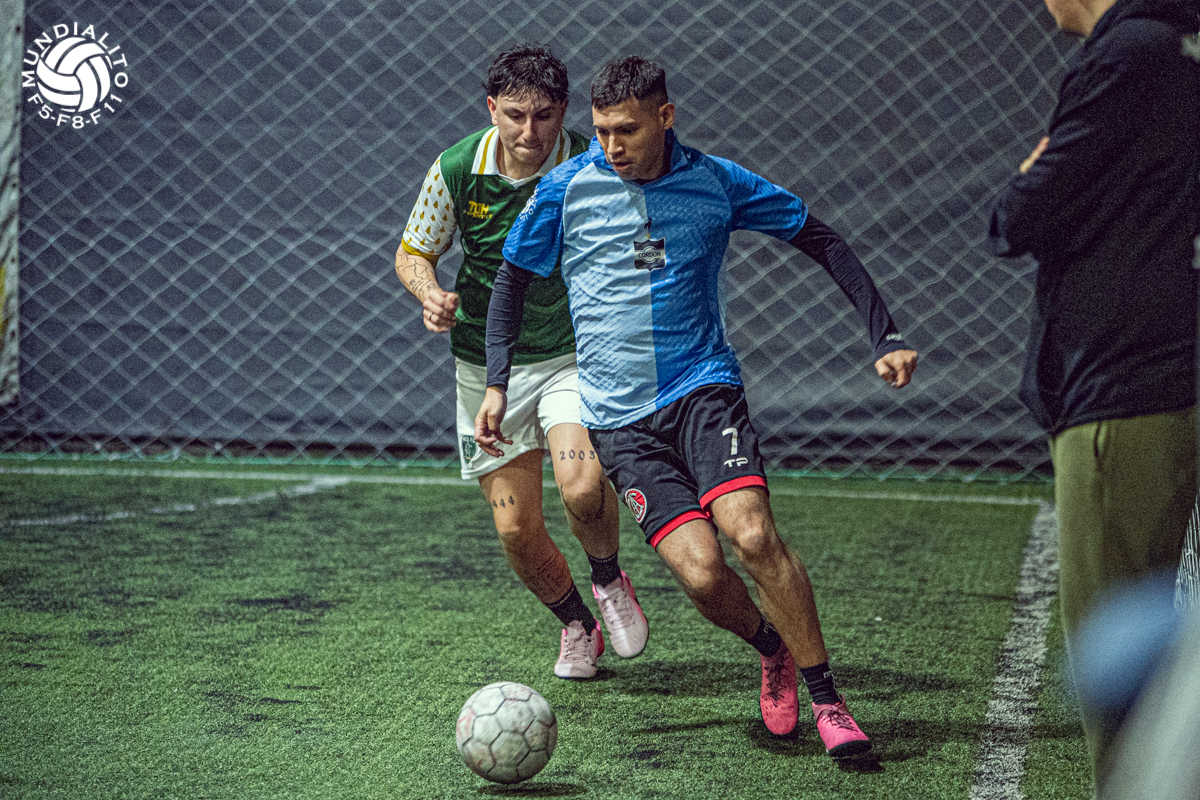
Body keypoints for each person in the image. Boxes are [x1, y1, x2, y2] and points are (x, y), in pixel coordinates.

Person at [476, 56, 918, 757]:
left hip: (703, 392)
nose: (611, 146)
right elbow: (511, 282)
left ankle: (829, 701)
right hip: (618, 421)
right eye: (600, 131)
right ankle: (771, 649)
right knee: (703, 573)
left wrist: (883, 333)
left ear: (665, 117)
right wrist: (497, 381)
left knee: (753, 536)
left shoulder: (716, 181)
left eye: (626, 130)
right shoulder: (566, 187)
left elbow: (819, 237)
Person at [988, 0, 1200, 793]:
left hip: (1123, 383)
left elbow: (1018, 216)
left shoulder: (1126, 56)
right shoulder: (1176, 46)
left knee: (1120, 650)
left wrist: (1028, 178)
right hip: (1167, 368)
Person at [395, 44, 648, 680]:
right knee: (514, 529)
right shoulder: (457, 168)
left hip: (571, 354)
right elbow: (413, 252)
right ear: (492, 109)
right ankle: (577, 624)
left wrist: (650, 276)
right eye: (514, 115)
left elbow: (646, 235)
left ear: (564, 110)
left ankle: (608, 578)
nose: (529, 132)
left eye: (544, 116)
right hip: (485, 366)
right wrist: (429, 293)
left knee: (582, 485)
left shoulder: (594, 163)